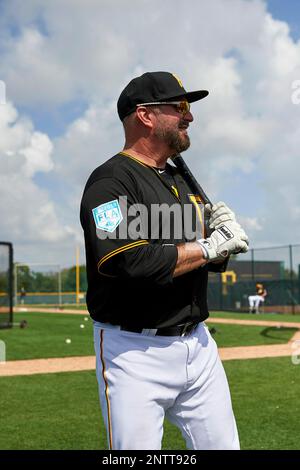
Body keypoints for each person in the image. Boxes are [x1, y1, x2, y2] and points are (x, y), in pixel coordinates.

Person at [80, 71, 249, 450]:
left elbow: (204, 260)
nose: (189, 117)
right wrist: (208, 247)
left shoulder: (179, 181)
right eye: (180, 107)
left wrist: (221, 241)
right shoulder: (110, 182)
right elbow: (131, 262)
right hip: (134, 352)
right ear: (145, 115)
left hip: (199, 346)